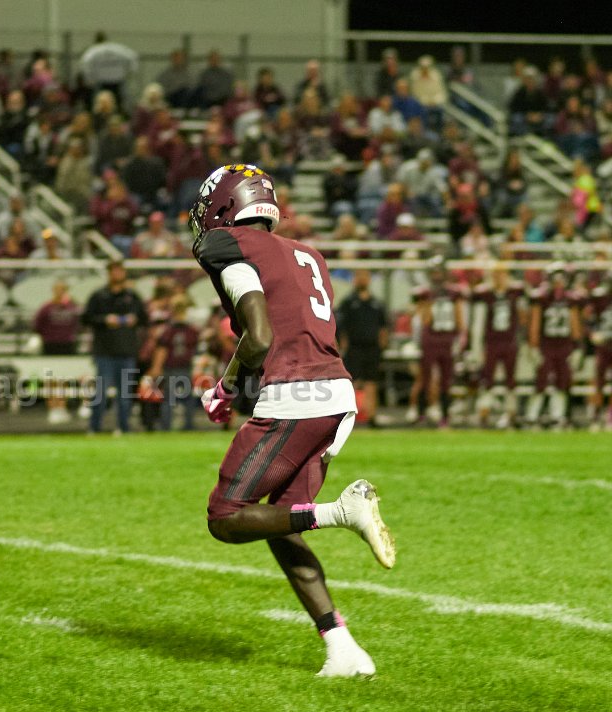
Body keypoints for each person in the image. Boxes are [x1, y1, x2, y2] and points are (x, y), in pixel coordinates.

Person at [189, 163, 395, 678]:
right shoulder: (308, 254)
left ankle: (343, 512)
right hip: (337, 397)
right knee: (283, 523)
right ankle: (343, 648)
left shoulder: (226, 244)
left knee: (226, 516)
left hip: (295, 396)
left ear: (226, 205)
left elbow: (258, 336)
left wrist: (225, 387)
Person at [83, 260, 148, 434]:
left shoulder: (132, 296)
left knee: (125, 394)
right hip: (104, 351)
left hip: (126, 351)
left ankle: (123, 427)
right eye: (114, 271)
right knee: (101, 392)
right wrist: (105, 320)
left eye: (120, 271)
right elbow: (86, 318)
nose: (117, 274)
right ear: (109, 273)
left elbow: (144, 318)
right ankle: (94, 427)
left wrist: (134, 320)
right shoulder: (99, 296)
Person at [408, 257, 466, 427]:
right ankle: (421, 414)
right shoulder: (425, 293)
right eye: (434, 272)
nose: (437, 275)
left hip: (447, 338)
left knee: (446, 380)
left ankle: (445, 416)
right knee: (425, 378)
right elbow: (423, 319)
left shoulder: (453, 293)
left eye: (439, 272)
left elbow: (459, 317)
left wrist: (461, 337)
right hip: (430, 338)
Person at [526, 263, 582, 430]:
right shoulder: (542, 297)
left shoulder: (570, 299)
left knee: (562, 381)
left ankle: (558, 415)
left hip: (564, 345)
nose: (558, 283)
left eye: (561, 279)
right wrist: (533, 346)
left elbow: (575, 323)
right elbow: (535, 323)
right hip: (547, 344)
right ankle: (532, 416)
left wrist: (577, 346)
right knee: (541, 381)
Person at [471, 266, 525, 429]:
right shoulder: (485, 294)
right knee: (487, 378)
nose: (499, 278)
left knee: (511, 380)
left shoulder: (515, 292)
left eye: (501, 274)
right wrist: (476, 346)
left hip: (509, 341)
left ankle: (511, 412)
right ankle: (484, 411)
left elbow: (523, 317)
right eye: (495, 275)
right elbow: (478, 322)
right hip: (491, 342)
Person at [335, 270, 389, 427]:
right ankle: (348, 417)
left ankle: (371, 416)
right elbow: (340, 327)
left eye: (365, 277)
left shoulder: (377, 303)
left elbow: (383, 327)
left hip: (372, 348)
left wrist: (382, 345)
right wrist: (342, 346)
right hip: (354, 348)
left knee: (372, 382)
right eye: (359, 277)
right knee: (352, 382)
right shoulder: (348, 303)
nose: (362, 280)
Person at [144, 296, 200, 430]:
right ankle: (189, 425)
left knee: (169, 399)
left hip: (171, 367)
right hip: (186, 367)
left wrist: (156, 368)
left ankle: (166, 426)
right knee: (188, 399)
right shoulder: (192, 330)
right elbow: (195, 351)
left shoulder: (168, 330)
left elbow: (162, 350)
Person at [33, 279, 81, 424]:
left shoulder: (72, 307)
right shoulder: (47, 307)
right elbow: (37, 325)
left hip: (67, 345)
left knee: (64, 378)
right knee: (51, 378)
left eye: (62, 289)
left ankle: (62, 407)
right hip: (50, 345)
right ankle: (52, 408)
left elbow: (80, 321)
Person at [584, 272, 612, 430]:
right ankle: (595, 415)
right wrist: (593, 334)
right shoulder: (599, 298)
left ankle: (609, 416)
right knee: (598, 382)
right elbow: (589, 319)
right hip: (603, 345)